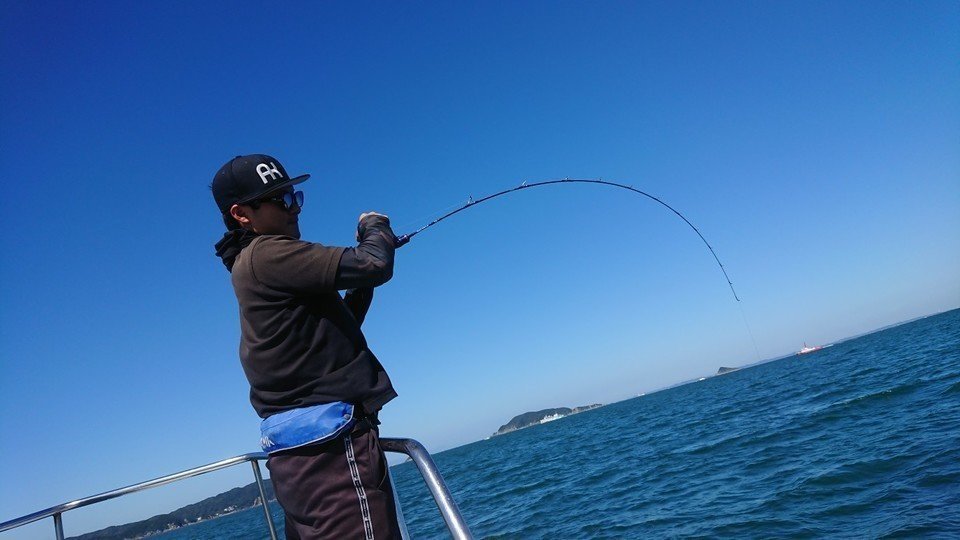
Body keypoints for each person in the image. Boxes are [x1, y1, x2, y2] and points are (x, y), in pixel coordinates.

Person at [211, 154, 402, 539]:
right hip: (332, 454)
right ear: (241, 213)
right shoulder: (269, 253)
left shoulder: (252, 266)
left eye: (294, 197)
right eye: (280, 200)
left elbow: (326, 335)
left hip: (304, 461)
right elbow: (374, 264)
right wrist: (375, 226)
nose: (293, 208)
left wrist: (361, 282)